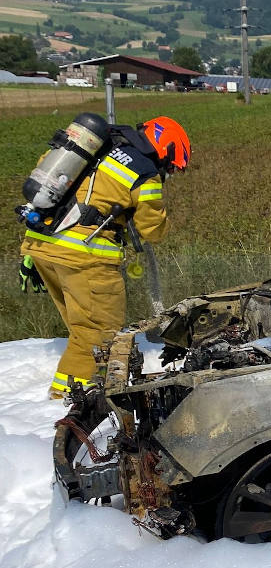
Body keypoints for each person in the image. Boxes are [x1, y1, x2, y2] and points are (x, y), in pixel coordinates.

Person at [19, 116, 191, 399]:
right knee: (97, 334)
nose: (170, 171)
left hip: (41, 247)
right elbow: (154, 230)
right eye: (173, 166)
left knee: (80, 328)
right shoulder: (145, 172)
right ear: (167, 149)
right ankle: (68, 402)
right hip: (84, 258)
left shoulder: (98, 150)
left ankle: (76, 391)